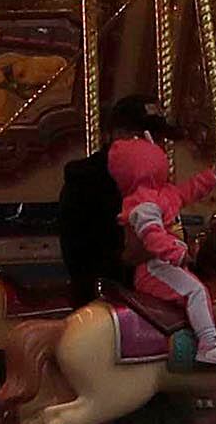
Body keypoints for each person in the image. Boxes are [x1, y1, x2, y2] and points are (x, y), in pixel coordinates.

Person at [104, 133, 216, 368]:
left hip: (165, 263)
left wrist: (211, 177)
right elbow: (152, 236)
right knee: (195, 291)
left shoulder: (161, 194)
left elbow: (187, 191)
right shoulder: (142, 203)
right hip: (154, 268)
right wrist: (174, 251)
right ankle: (209, 344)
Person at [57, 97, 173, 309]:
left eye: (158, 139)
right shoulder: (90, 182)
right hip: (108, 298)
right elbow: (92, 258)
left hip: (137, 290)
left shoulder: (141, 178)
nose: (155, 146)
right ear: (119, 136)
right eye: (146, 137)